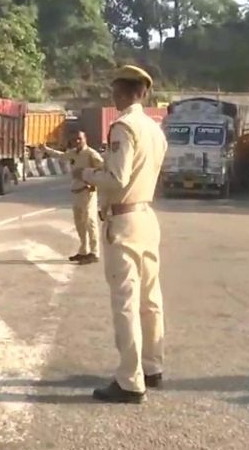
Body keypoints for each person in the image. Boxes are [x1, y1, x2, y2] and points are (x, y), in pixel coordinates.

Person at [74, 65, 167, 404]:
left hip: (124, 220)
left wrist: (87, 174)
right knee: (150, 300)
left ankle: (129, 380)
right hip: (146, 217)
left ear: (124, 92)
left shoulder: (123, 126)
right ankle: (152, 366)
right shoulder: (155, 130)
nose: (112, 96)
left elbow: (117, 178)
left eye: (114, 91)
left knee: (125, 302)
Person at [40, 131, 104, 264]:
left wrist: (90, 178)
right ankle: (84, 250)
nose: (77, 141)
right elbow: (61, 156)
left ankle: (94, 252)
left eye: (80, 139)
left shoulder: (91, 154)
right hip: (76, 192)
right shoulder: (73, 153)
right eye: (75, 139)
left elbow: (102, 169)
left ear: (85, 139)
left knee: (90, 221)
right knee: (79, 222)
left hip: (87, 192)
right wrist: (46, 149)